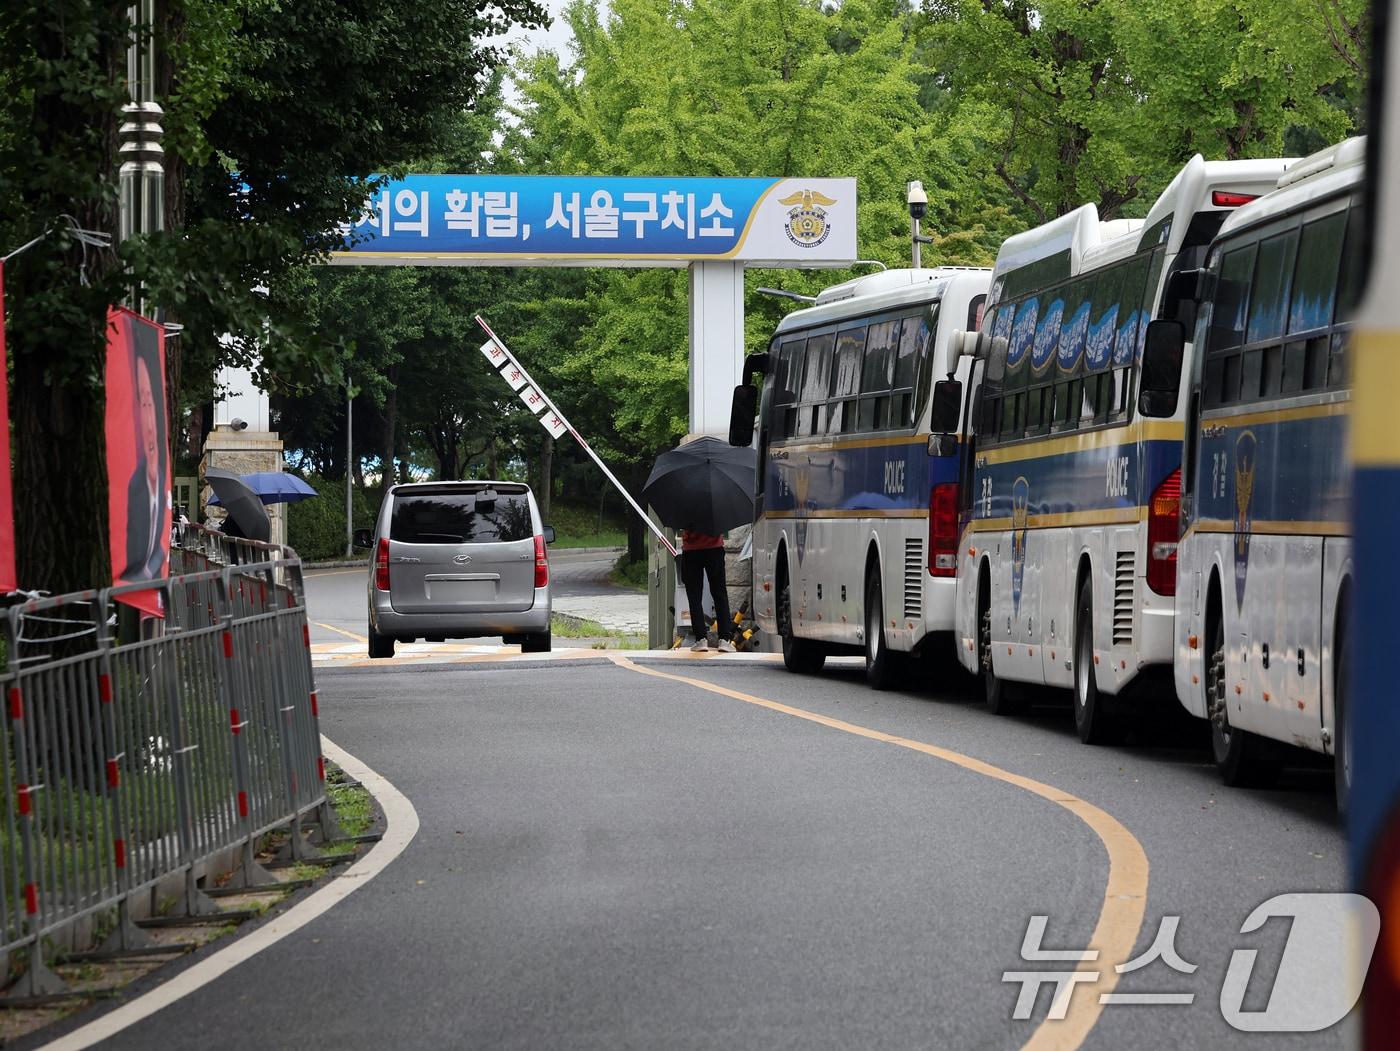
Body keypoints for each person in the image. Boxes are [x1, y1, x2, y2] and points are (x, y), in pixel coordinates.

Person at [681, 529, 735, 653]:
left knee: (694, 596)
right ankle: (724, 640)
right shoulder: (716, 508)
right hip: (714, 547)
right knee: (720, 594)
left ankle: (701, 639)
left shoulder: (687, 508)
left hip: (691, 550)